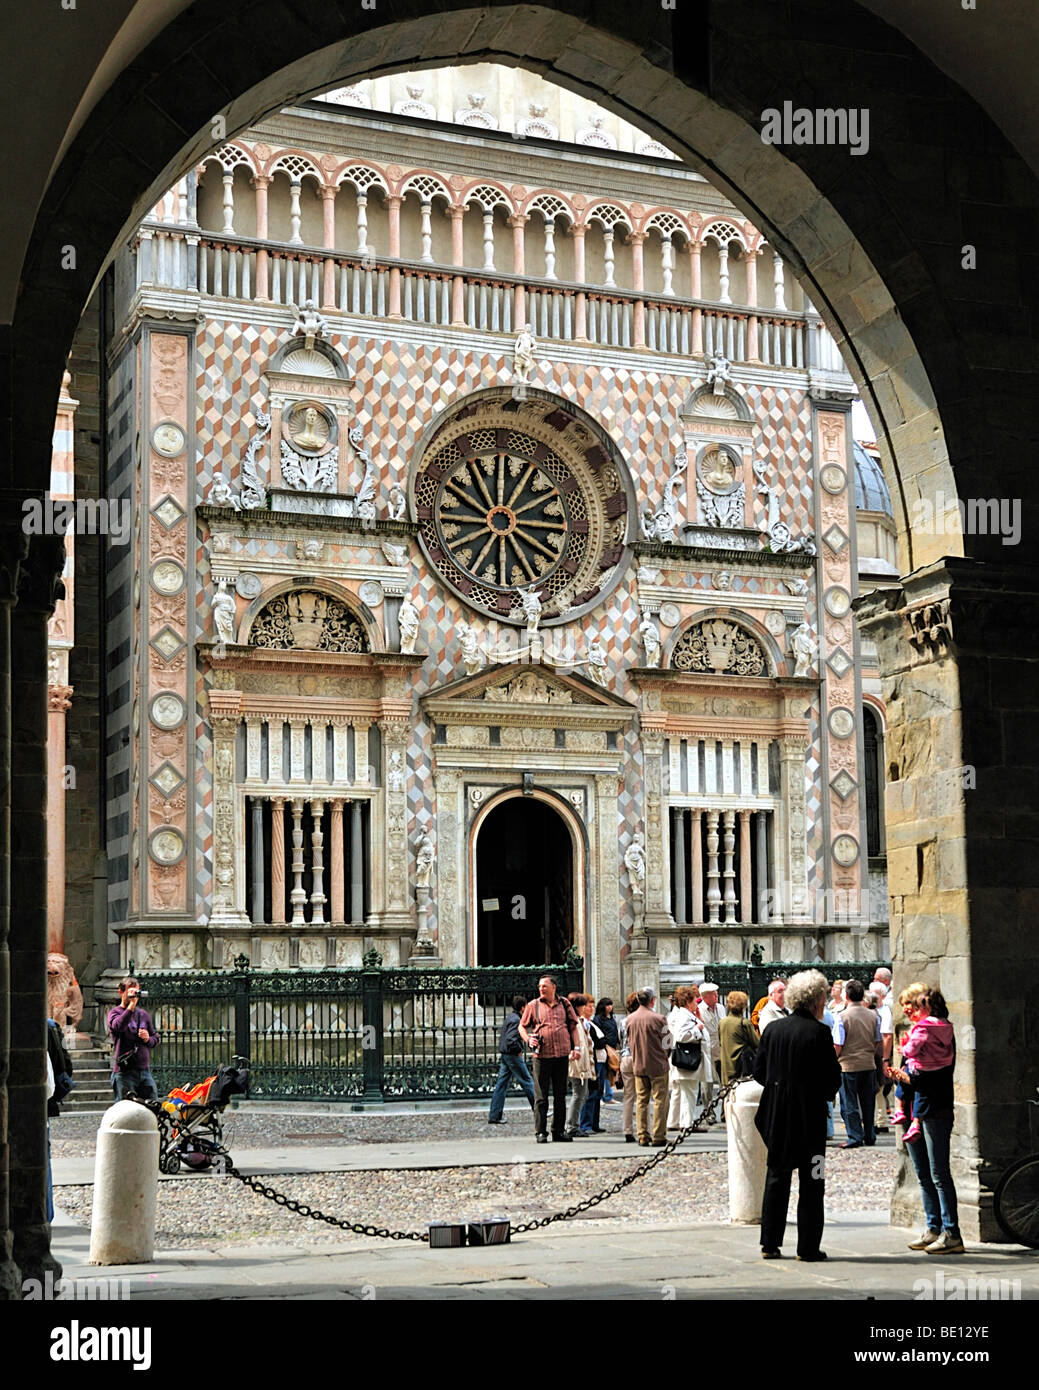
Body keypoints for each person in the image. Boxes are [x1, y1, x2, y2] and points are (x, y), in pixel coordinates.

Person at [753, 968, 842, 1261]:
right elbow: (832, 1079)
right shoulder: (820, 1033)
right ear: (816, 1000)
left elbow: (759, 1072)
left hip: (777, 1116)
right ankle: (808, 1246)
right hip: (811, 1119)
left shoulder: (773, 1030)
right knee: (813, 1180)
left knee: (776, 1175)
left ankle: (769, 1242)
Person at [887, 985, 963, 1254]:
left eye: (912, 1005)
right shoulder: (915, 1034)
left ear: (927, 1007)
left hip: (934, 1109)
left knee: (939, 1173)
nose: (907, 1010)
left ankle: (952, 1233)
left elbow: (932, 1078)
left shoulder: (939, 1034)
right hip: (911, 1110)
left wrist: (903, 1077)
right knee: (922, 1173)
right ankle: (933, 1227)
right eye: (905, 1005)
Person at [519, 975, 581, 1143]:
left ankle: (558, 1131)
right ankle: (540, 1131)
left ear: (553, 987)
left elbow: (574, 1026)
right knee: (541, 1096)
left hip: (561, 1055)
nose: (541, 988)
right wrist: (528, 1039)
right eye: (540, 986)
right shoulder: (534, 1005)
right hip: (542, 1056)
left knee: (560, 1095)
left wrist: (577, 1047)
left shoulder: (565, 1004)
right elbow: (522, 1026)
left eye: (545, 985)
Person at [834, 978, 883, 1148]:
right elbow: (877, 1039)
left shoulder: (841, 1017)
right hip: (868, 1063)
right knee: (868, 1102)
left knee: (849, 1104)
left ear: (846, 996)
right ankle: (870, 1135)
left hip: (848, 1065)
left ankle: (855, 1136)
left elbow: (838, 1044)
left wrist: (836, 1059)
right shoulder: (873, 1016)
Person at [624, 987, 671, 1146]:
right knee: (660, 1101)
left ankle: (642, 1135)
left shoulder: (630, 1019)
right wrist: (665, 1055)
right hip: (658, 1065)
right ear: (652, 1000)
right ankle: (658, 1135)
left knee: (641, 1101)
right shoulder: (659, 1019)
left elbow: (629, 1041)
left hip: (639, 1064)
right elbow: (668, 1042)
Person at [107, 976, 159, 1100]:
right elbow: (118, 1026)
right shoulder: (114, 1013)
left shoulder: (143, 1014)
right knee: (125, 1110)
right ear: (121, 992)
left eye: (136, 992)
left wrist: (148, 1039)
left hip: (144, 1071)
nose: (134, 996)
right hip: (124, 1072)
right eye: (130, 992)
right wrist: (130, 1006)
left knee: (152, 1106)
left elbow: (155, 1039)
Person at [487, 994, 536, 1123]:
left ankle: (495, 1115)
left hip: (506, 1054)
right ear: (522, 1008)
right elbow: (511, 1039)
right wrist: (518, 1049)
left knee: (501, 1084)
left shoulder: (511, 1018)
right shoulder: (517, 1020)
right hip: (512, 1054)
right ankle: (539, 1109)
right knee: (527, 1081)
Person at [666, 986, 709, 1130]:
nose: (696, 1003)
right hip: (689, 1058)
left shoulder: (686, 1014)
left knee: (683, 1092)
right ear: (688, 1002)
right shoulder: (683, 1015)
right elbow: (681, 1036)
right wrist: (698, 1029)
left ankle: (674, 1122)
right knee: (689, 1093)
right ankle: (687, 1123)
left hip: (687, 1058)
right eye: (694, 1000)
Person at [565, 993, 596, 1137]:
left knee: (582, 1094)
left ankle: (572, 1124)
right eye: (583, 1005)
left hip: (580, 1064)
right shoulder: (575, 1023)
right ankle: (572, 1126)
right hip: (578, 1065)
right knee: (579, 1094)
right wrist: (583, 1068)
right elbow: (581, 1046)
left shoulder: (579, 1021)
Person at [578, 999, 608, 1133]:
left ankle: (594, 1123)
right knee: (591, 1093)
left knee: (597, 1093)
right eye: (588, 1006)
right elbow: (596, 1042)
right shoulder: (584, 1023)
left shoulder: (592, 1023)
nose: (591, 1008)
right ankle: (586, 1124)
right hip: (594, 1061)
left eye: (592, 1006)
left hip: (601, 1060)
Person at [697, 982, 725, 1117]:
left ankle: (725, 1111)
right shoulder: (699, 1010)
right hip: (706, 1052)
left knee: (724, 1083)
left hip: (721, 1051)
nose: (717, 996)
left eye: (716, 994)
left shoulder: (721, 1008)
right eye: (714, 994)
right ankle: (708, 1112)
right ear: (705, 997)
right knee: (706, 1085)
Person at [719, 990, 759, 1085]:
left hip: (726, 1066)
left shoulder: (722, 1022)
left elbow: (721, 1042)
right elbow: (756, 1043)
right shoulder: (744, 1023)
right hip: (741, 1066)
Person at [871, 981, 895, 1132]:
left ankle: (880, 1121)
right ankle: (877, 1119)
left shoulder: (885, 1011)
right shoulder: (875, 1011)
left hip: (880, 1054)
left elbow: (887, 1036)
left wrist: (885, 1059)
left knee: (879, 1088)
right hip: (874, 1053)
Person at [618, 991, 639, 1143]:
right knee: (643, 1096)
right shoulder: (641, 1020)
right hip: (639, 1057)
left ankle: (627, 1130)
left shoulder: (623, 1021)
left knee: (628, 1096)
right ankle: (643, 1128)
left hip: (625, 1057)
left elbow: (620, 1039)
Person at [593, 998, 619, 1103]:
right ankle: (599, 1096)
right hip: (603, 1048)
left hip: (612, 1048)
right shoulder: (598, 1018)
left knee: (609, 1073)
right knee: (600, 1072)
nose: (609, 1007)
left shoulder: (612, 1018)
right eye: (607, 1005)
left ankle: (608, 1096)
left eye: (611, 1005)